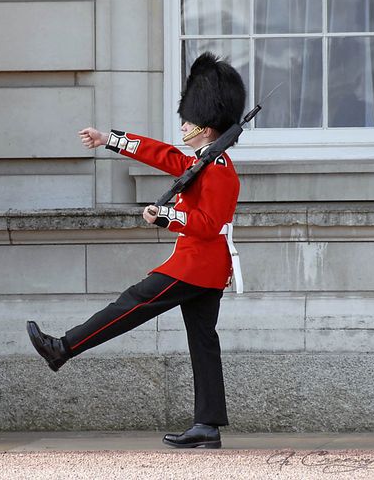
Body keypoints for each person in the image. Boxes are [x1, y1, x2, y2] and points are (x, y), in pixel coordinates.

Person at [26, 51, 246, 449]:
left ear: (207, 126)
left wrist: (165, 217)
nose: (182, 124)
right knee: (202, 340)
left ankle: (63, 348)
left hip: (196, 266)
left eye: (188, 119)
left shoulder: (219, 170)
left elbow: (209, 226)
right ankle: (208, 425)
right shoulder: (202, 162)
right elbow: (160, 153)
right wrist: (108, 139)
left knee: (129, 306)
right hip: (203, 267)